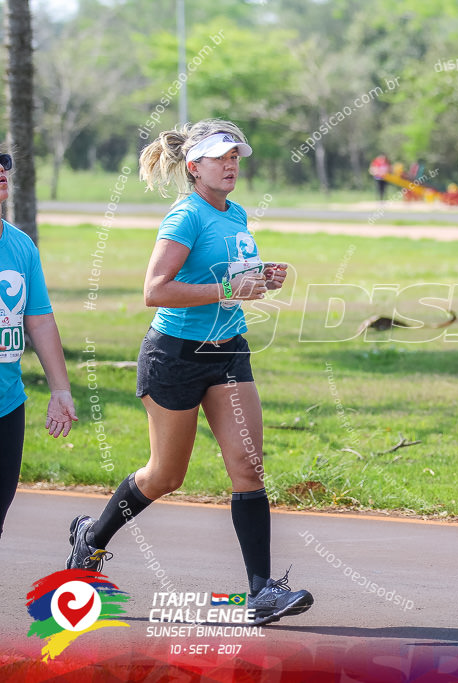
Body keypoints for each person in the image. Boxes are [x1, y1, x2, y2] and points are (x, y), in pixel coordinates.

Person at [64, 120, 313, 627]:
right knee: (166, 475)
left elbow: (228, 277)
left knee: (248, 464)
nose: (231, 164)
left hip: (228, 351)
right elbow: (156, 290)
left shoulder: (236, 213)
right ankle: (92, 537)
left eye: (236, 156)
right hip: (175, 355)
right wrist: (228, 291)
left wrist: (261, 278)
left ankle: (261, 591)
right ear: (194, 165)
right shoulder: (185, 216)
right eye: (221, 156)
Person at [0, 151, 78, 538]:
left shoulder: (20, 246)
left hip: (7, 401)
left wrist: (60, 390)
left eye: (3, 161)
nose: (1, 169)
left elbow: (40, 320)